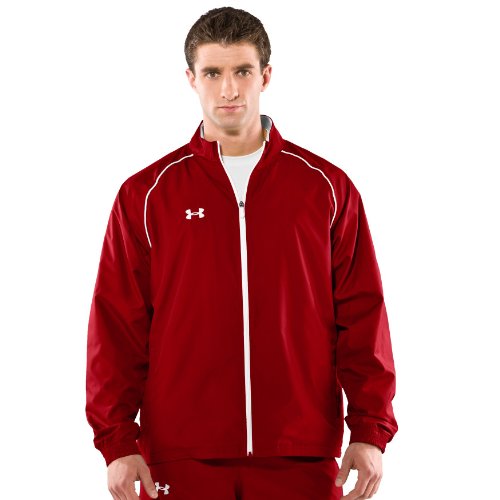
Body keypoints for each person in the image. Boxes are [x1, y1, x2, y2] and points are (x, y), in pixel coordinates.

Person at [85, 6, 398, 500]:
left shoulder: (325, 188)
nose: (228, 89)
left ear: (265, 76)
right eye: (213, 73)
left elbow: (362, 315)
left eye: (242, 72)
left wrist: (369, 429)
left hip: (301, 452)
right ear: (191, 79)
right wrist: (117, 441)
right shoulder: (146, 194)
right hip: (179, 454)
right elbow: (116, 324)